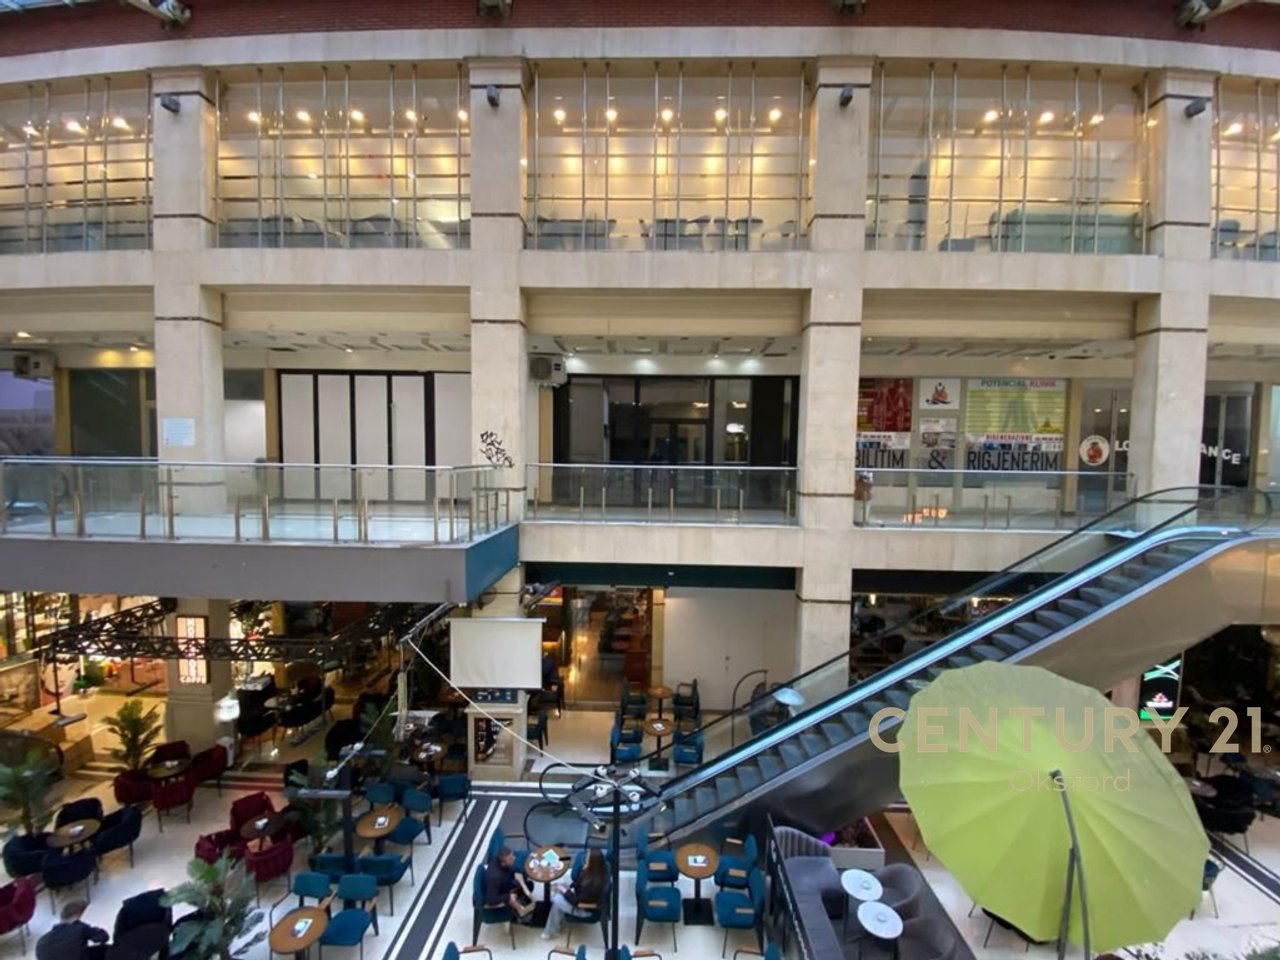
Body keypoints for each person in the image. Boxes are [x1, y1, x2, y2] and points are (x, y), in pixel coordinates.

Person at [542, 848, 606, 939]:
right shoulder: (593, 871)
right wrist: (569, 888)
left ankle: (550, 931)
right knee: (560, 889)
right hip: (580, 896)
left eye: (587, 857)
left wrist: (564, 891)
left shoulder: (592, 884)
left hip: (585, 909)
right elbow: (578, 883)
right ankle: (551, 930)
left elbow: (577, 902)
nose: (585, 858)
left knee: (557, 899)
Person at [36, 900, 109, 960]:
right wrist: (93, 930)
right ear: (76, 917)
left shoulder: (41, 942)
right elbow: (104, 937)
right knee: (107, 950)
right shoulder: (79, 928)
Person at [484, 846, 535, 925]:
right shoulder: (494, 877)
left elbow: (511, 868)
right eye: (511, 859)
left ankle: (521, 902)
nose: (514, 858)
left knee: (529, 885)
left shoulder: (501, 862)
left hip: (505, 884)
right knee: (513, 898)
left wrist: (516, 874)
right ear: (503, 863)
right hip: (499, 894)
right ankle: (519, 914)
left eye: (513, 856)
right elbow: (491, 898)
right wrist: (508, 896)